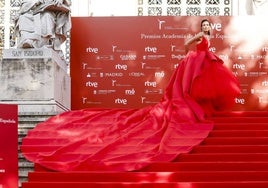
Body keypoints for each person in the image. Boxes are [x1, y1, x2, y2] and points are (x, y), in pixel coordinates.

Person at [21, 19, 240, 172]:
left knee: (202, 86)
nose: (205, 28)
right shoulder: (200, 36)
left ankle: (198, 108)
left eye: (206, 26)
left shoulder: (210, 36)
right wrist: (195, 46)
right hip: (194, 60)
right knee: (186, 89)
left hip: (203, 61)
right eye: (203, 26)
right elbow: (185, 45)